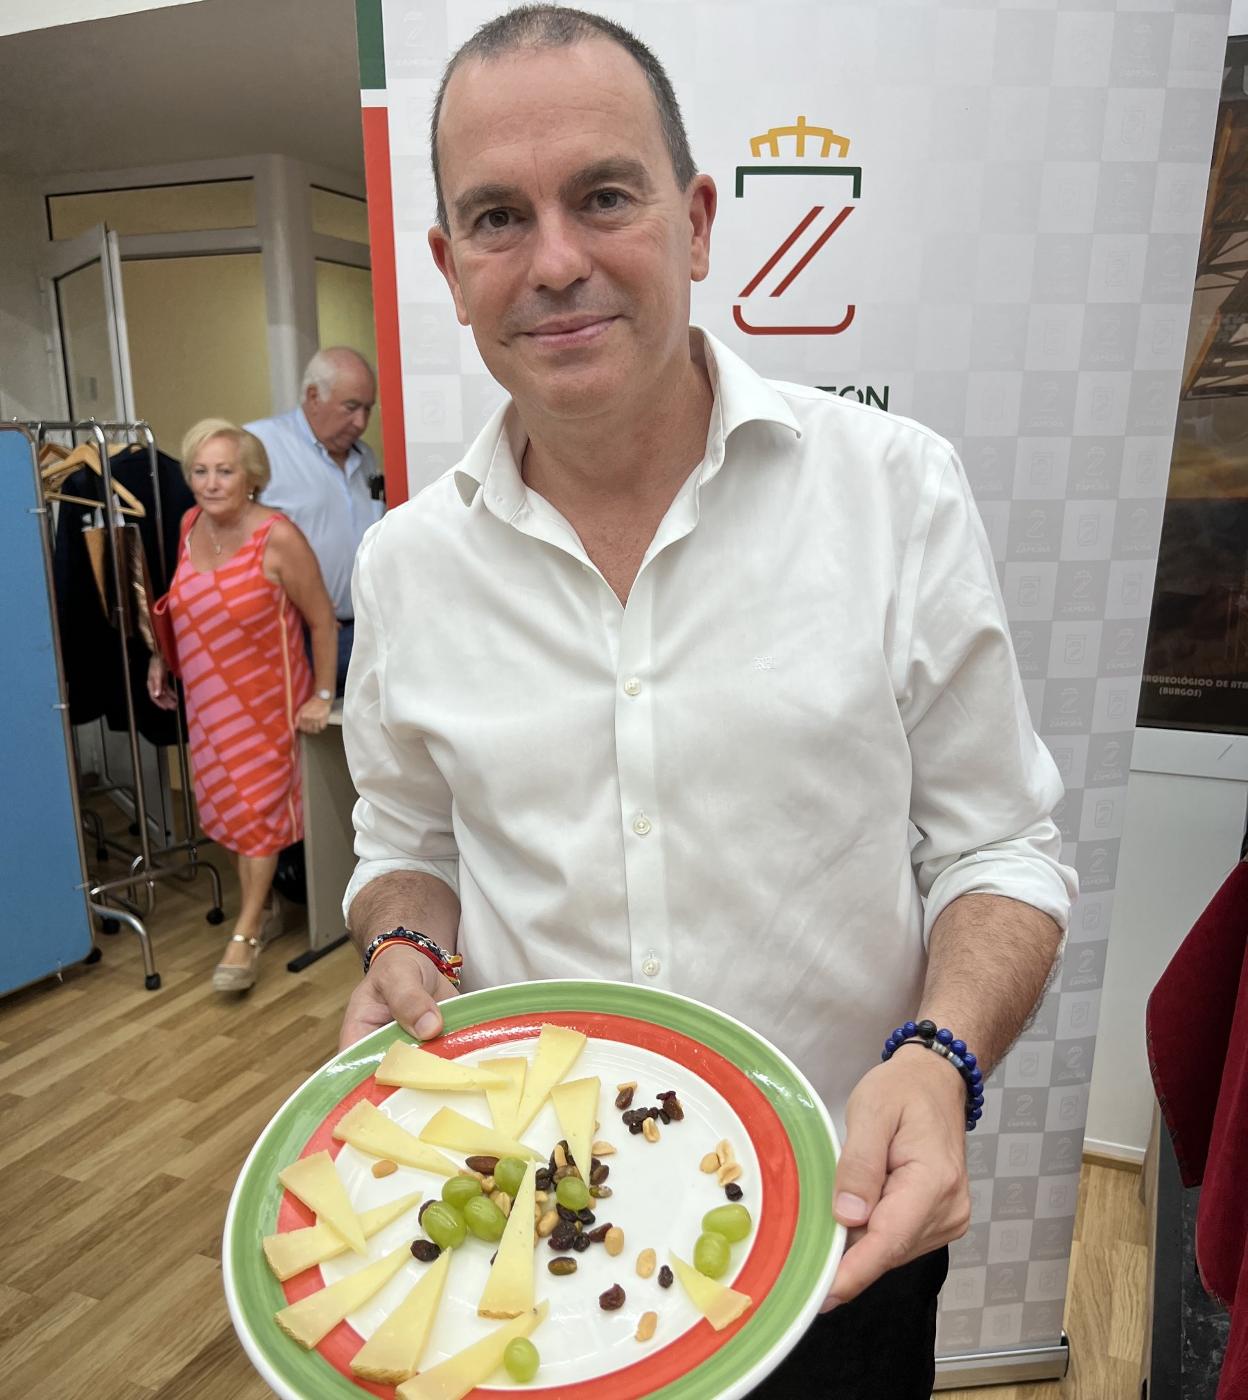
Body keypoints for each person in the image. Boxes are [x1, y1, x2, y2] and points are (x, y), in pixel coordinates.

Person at [337, 8, 1078, 1396]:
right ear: (448, 266)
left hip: (835, 1234)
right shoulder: (406, 566)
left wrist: (941, 1058)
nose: (556, 261)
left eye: (603, 197)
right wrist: (409, 951)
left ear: (694, 219)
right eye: (500, 217)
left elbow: (999, 851)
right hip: (533, 1245)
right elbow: (409, 853)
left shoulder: (893, 491)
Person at [147, 419, 338, 993]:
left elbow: (322, 619)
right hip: (206, 706)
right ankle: (273, 907)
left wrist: (322, 696)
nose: (210, 483)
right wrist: (163, 658)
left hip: (264, 706)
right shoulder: (187, 527)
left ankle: (247, 929)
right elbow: (183, 606)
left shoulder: (277, 536)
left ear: (251, 477)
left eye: (224, 471)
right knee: (229, 815)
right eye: (199, 471)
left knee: (256, 818)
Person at [246, 347, 382, 695]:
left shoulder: (365, 458)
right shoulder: (260, 446)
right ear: (312, 397)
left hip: (365, 634)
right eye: (351, 407)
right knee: (303, 743)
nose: (361, 423)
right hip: (295, 636)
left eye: (367, 409)